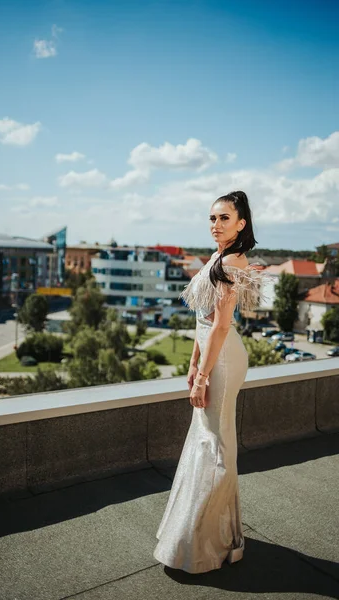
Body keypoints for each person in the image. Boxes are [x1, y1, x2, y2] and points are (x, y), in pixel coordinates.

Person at [153, 190, 271, 574]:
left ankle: (211, 539)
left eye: (224, 218)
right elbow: (202, 319)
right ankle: (207, 532)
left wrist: (203, 375)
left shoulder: (235, 259)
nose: (215, 225)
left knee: (215, 443)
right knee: (207, 440)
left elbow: (221, 324)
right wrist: (192, 362)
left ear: (241, 223)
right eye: (211, 218)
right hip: (209, 355)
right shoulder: (218, 257)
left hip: (223, 360)